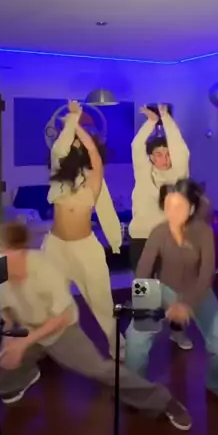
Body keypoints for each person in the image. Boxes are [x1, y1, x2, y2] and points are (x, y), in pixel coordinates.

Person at [0, 222, 192, 431]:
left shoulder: (44, 267)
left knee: (100, 370)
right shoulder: (0, 272)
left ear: (17, 250)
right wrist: (8, 339)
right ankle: (23, 377)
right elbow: (6, 311)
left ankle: (164, 401)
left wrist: (24, 344)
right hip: (27, 331)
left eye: (1, 250)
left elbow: (63, 316)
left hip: (60, 331)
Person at [125, 179, 218, 403]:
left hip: (197, 290)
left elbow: (206, 274)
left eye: (178, 207)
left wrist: (187, 305)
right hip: (161, 289)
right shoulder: (158, 232)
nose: (171, 212)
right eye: (168, 206)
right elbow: (143, 271)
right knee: (134, 339)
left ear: (191, 209)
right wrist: (148, 302)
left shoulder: (204, 232)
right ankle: (134, 389)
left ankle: (216, 382)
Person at [43, 100, 124, 359]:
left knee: (101, 302)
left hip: (85, 248)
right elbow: (59, 148)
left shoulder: (94, 176)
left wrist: (76, 121)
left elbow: (94, 153)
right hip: (55, 246)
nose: (76, 147)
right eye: (74, 145)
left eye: (81, 145)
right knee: (49, 299)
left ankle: (117, 345)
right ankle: (47, 344)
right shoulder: (59, 174)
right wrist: (71, 125)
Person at [129, 105, 193, 351]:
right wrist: (151, 122)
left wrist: (165, 118)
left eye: (167, 154)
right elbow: (137, 146)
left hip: (170, 240)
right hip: (142, 238)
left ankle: (178, 332)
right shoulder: (143, 174)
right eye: (158, 154)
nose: (164, 159)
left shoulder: (178, 176)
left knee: (175, 289)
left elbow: (182, 151)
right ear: (151, 158)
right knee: (145, 288)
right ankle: (144, 337)